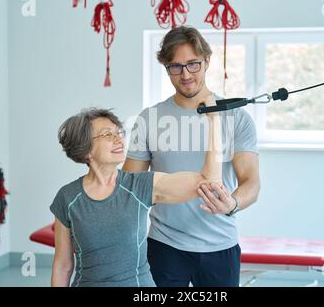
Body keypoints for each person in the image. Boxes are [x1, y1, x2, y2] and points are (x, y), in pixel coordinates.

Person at [123, 26, 260, 287]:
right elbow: (130, 187)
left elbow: (252, 184)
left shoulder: (236, 117)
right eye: (175, 67)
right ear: (166, 68)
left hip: (221, 245)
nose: (185, 74)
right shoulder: (150, 119)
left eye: (193, 64)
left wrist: (231, 203)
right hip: (165, 245)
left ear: (207, 61)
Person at [50, 102, 222, 287]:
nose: (119, 139)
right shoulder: (67, 197)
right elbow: (63, 266)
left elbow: (208, 180)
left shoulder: (139, 186)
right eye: (108, 134)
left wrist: (214, 120)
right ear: (86, 148)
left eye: (119, 133)